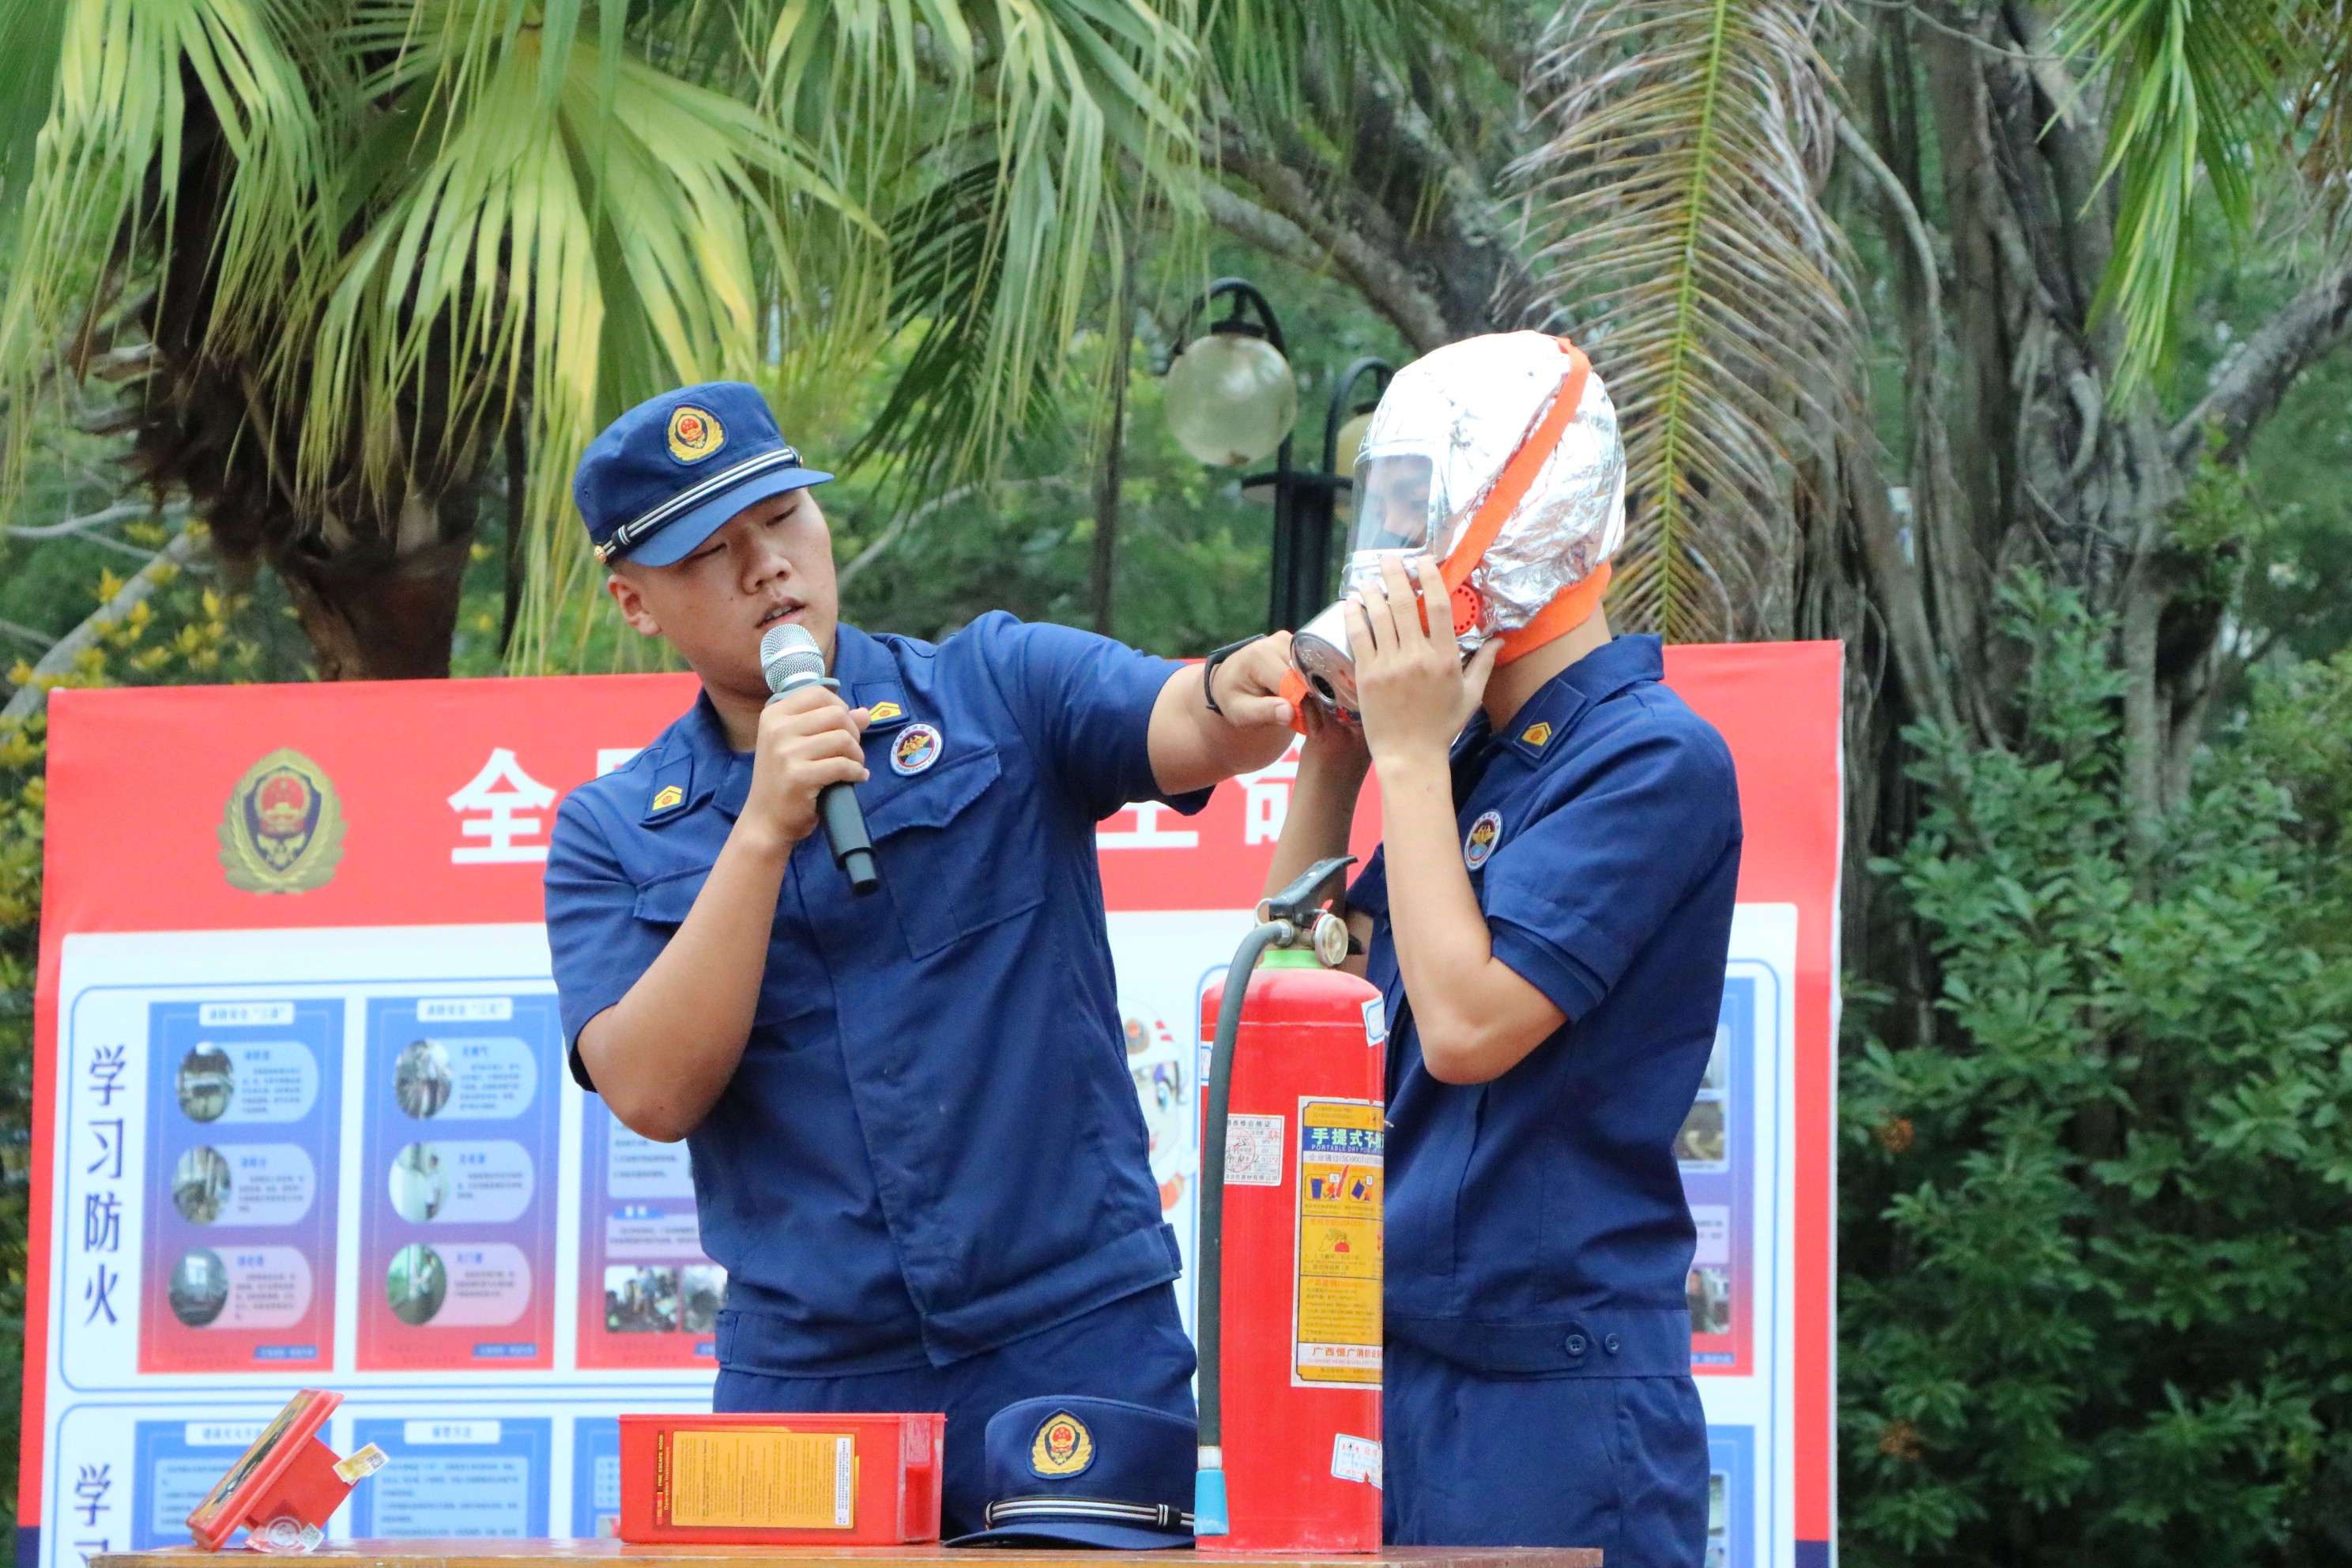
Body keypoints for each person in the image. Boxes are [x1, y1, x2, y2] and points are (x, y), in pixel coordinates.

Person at [542, 382, 1298, 1535]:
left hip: (1071, 1335)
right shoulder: (611, 832)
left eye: (783, 517)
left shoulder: (998, 687)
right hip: (811, 1374)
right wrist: (762, 831)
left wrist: (1241, 687)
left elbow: (1192, 717)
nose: (767, 568)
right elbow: (651, 1090)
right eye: (710, 553)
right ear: (635, 601)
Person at [1265, 334, 1741, 1566]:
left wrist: (1410, 757)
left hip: (1551, 1394)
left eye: (1419, 510)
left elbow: (1470, 1026)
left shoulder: (1651, 758)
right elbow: (1289, 1010)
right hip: (1390, 1367)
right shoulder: (1459, 758)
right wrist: (1336, 763)